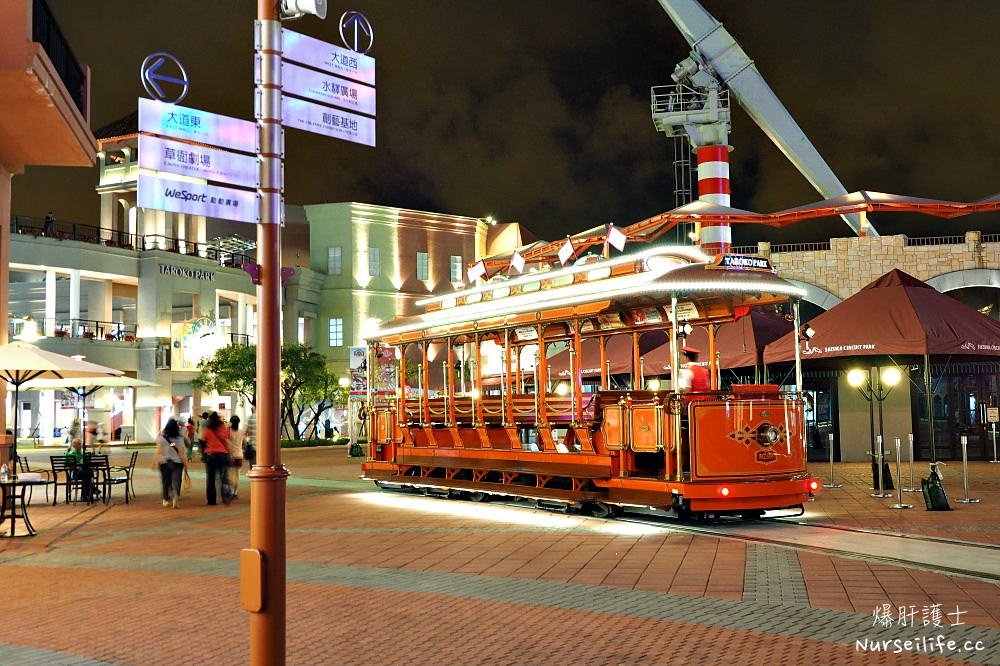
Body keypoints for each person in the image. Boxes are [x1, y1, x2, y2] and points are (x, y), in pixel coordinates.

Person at [152, 418, 188, 509]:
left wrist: (154, 461)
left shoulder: (162, 438)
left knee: (165, 481)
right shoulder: (179, 438)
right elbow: (181, 452)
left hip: (164, 462)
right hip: (177, 463)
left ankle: (165, 499)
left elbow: (158, 450)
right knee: (176, 480)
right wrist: (186, 464)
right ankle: (175, 493)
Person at [201, 412, 232, 506]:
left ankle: (211, 501)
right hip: (223, 455)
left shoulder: (207, 429)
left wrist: (203, 452)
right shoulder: (223, 428)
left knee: (211, 479)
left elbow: (202, 440)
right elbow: (227, 441)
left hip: (211, 456)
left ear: (210, 419)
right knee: (224, 478)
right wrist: (229, 453)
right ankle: (225, 496)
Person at [226, 415, 247, 499]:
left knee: (230, 475)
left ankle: (230, 492)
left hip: (230, 455)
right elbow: (245, 442)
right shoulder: (241, 432)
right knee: (237, 475)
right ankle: (235, 493)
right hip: (239, 455)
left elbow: (226, 443)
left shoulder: (228, 432)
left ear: (231, 422)